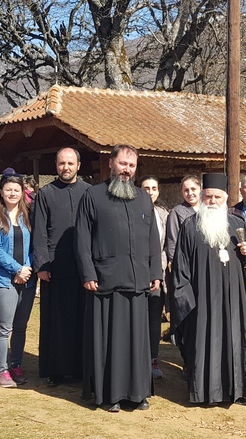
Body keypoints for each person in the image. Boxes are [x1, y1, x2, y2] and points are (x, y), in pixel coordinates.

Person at [75, 145, 161, 412]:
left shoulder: (143, 199)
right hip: (105, 280)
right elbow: (82, 239)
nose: (127, 170)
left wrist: (155, 272)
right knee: (108, 342)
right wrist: (88, 272)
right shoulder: (93, 196)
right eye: (123, 164)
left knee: (137, 342)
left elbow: (152, 238)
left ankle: (138, 393)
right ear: (111, 163)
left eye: (131, 165)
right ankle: (109, 395)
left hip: (137, 281)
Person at [171, 173, 246, 406]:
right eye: (208, 196)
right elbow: (180, 266)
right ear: (202, 197)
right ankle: (206, 393)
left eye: (217, 197)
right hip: (202, 299)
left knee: (236, 341)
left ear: (225, 199)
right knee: (205, 342)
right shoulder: (189, 226)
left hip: (234, 299)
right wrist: (185, 299)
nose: (212, 201)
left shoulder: (237, 224)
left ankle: (237, 390)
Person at [32, 149, 91, 386]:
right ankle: (55, 369)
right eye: (61, 163)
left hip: (84, 266)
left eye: (70, 163)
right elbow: (39, 231)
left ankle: (81, 367)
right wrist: (42, 264)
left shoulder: (89, 192)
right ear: (56, 165)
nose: (66, 167)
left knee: (82, 317)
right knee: (56, 319)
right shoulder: (46, 194)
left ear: (79, 165)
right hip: (55, 266)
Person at [0, 173, 37, 388]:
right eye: (8, 189)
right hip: (2, 279)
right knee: (4, 327)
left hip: (27, 279)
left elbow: (35, 246)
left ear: (23, 193)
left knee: (21, 326)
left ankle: (16, 365)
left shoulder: (29, 217)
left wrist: (26, 269)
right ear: (1, 192)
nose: (12, 193)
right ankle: (2, 371)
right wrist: (16, 269)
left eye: (16, 190)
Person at [163, 175, 200, 368]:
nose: (190, 193)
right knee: (187, 315)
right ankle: (187, 360)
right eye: (186, 190)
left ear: (200, 189)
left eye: (193, 189)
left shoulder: (208, 210)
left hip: (205, 274)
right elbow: (172, 244)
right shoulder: (177, 213)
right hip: (186, 274)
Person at [140, 175, 168, 379]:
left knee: (153, 319)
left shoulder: (164, 215)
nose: (150, 192)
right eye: (146, 188)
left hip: (157, 274)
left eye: (154, 188)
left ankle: (152, 359)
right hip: (135, 274)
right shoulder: (132, 210)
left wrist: (158, 269)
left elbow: (167, 246)